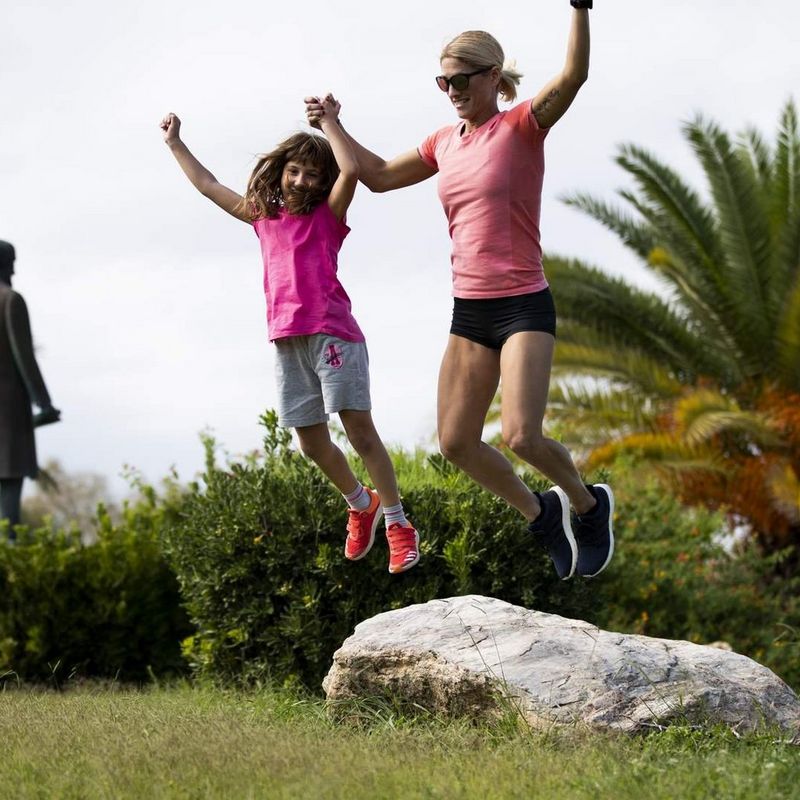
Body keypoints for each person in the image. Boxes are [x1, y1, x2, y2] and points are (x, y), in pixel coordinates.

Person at [305, 1, 613, 581]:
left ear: (493, 77)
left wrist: (579, 8)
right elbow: (374, 176)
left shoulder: (523, 125)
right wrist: (331, 125)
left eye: (460, 79)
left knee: (522, 434)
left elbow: (574, 75)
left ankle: (588, 504)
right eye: (442, 81)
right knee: (455, 442)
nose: (450, 90)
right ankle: (542, 514)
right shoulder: (443, 142)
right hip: (470, 310)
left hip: (523, 302)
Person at [159, 100, 420, 574]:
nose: (302, 181)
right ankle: (361, 502)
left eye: (311, 176)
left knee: (359, 430)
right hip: (286, 340)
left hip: (333, 335)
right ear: (281, 173)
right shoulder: (261, 217)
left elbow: (353, 168)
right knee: (310, 442)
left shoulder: (329, 217)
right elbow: (207, 185)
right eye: (294, 171)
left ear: (322, 183)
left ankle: (398, 523)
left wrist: (330, 123)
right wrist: (177, 144)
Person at [0, 240, 61, 537]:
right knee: (8, 508)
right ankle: (10, 574)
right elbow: (25, 359)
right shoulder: (10, 300)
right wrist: (44, 404)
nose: (14, 267)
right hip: (8, 417)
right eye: (11, 261)